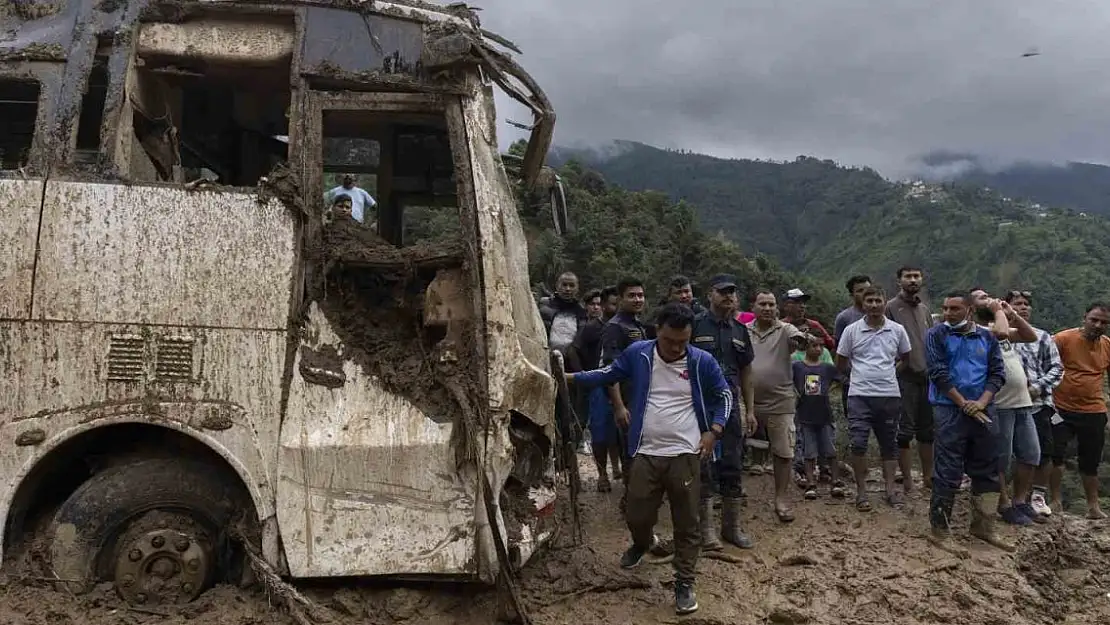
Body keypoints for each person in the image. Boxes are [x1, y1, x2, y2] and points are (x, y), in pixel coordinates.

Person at [566, 303, 732, 616]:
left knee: (687, 521)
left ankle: (684, 581)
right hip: (645, 450)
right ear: (657, 330)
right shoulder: (639, 354)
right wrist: (568, 377)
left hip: (686, 453)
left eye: (683, 341)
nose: (676, 347)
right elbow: (607, 374)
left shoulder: (701, 361)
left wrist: (715, 430)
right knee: (636, 512)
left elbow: (724, 394)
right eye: (670, 340)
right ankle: (642, 542)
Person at [925, 291, 1011, 550]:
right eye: (945, 308)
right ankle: (940, 530)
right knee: (948, 469)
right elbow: (938, 373)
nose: (948, 314)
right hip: (949, 409)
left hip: (984, 408)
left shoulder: (986, 337)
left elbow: (997, 373)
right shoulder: (937, 334)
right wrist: (963, 403)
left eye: (954, 309)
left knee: (987, 467)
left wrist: (982, 402)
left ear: (970, 311)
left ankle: (984, 527)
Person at [690, 274, 757, 549]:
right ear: (710, 294)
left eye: (732, 292)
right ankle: (705, 531)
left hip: (730, 404)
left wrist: (750, 410)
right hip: (700, 404)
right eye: (722, 292)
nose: (728, 297)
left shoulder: (740, 331)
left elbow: (747, 370)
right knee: (702, 463)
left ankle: (731, 528)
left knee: (732, 461)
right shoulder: (694, 324)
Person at [836, 287, 912, 511]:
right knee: (858, 443)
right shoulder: (852, 330)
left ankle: (890, 490)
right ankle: (861, 492)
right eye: (869, 300)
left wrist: (890, 373)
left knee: (889, 444)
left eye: (878, 300)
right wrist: (856, 376)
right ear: (863, 302)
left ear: (884, 302)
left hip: (889, 395)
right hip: (859, 395)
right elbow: (841, 360)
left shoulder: (897, 330)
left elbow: (906, 357)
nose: (874, 304)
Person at [969, 289, 1040, 526]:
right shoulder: (977, 331)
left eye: (988, 295)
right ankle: (1004, 503)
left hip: (1022, 402)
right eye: (980, 297)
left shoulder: (999, 325)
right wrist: (999, 310)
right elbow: (1000, 332)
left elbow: (1030, 336)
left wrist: (1013, 314)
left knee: (1031, 454)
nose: (988, 298)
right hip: (999, 403)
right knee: (1001, 458)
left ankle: (1020, 501)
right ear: (971, 307)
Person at [747, 289, 818, 522]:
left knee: (783, 451)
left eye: (771, 304)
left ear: (777, 308)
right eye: (762, 304)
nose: (767, 308)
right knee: (730, 445)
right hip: (747, 400)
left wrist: (804, 339)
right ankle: (729, 493)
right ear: (754, 307)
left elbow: (799, 339)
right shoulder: (744, 330)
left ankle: (780, 498)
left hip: (780, 400)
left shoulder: (786, 329)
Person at [1049, 302, 1110, 519]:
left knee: (1090, 460)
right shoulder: (1063, 339)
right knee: (1056, 454)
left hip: (1093, 410)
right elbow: (1045, 364)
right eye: (1094, 319)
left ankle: (1093, 507)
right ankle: (1055, 501)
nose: (1098, 325)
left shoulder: (1107, 345)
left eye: (1103, 322)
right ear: (1084, 317)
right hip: (1060, 408)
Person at [1008, 290, 1063, 518]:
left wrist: (1036, 387)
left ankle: (1037, 496)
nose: (1023, 308)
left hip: (1038, 403)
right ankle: (1008, 496)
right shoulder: (998, 334)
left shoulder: (1042, 336)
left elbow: (1057, 368)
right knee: (1005, 452)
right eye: (1017, 304)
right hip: (1007, 403)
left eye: (1026, 304)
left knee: (1041, 452)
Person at [567, 286, 623, 490]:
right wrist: (584, 375)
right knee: (599, 432)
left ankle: (620, 470)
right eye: (612, 304)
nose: (615, 308)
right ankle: (602, 475)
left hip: (623, 384)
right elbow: (573, 349)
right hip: (599, 384)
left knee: (621, 431)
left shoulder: (629, 326)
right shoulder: (593, 327)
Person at [885, 265, 934, 493]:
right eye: (908, 276)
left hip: (927, 378)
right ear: (899, 281)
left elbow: (931, 341)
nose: (913, 280)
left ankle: (928, 477)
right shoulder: (891, 308)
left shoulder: (924, 309)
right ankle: (906, 480)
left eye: (916, 276)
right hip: (903, 377)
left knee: (927, 431)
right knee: (904, 431)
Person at [602, 278, 649, 511]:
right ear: (620, 299)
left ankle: (639, 499)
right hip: (628, 400)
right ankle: (631, 503)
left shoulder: (637, 325)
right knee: (632, 452)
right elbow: (611, 370)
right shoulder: (615, 327)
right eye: (632, 295)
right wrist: (619, 406)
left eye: (640, 295)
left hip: (642, 398)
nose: (638, 299)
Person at [793, 341, 845, 500]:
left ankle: (835, 481)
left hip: (825, 415)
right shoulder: (797, 367)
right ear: (806, 348)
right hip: (805, 414)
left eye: (820, 346)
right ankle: (810, 483)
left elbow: (842, 379)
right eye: (813, 345)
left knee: (830, 449)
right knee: (809, 451)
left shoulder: (827, 368)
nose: (817, 349)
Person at [539, 272, 588, 355]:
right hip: (544, 352)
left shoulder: (581, 310)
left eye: (572, 285)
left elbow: (581, 336)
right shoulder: (545, 304)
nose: (568, 289)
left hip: (571, 357)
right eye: (564, 285)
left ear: (577, 288)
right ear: (557, 286)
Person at [833, 275, 873, 344]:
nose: (866, 293)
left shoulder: (883, 313)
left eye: (868, 289)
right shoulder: (844, 318)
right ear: (852, 295)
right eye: (860, 291)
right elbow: (839, 346)